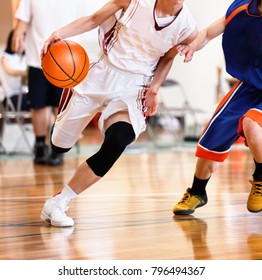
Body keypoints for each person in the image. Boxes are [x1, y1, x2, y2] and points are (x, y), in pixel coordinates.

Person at [39, 0, 198, 227]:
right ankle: (67, 112)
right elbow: (94, 19)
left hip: (134, 87)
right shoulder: (134, 2)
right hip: (102, 72)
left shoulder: (187, 28)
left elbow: (168, 58)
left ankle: (59, 202)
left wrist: (154, 89)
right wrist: (59, 33)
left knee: (118, 141)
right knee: (59, 146)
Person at [173, 0, 262, 215]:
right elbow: (206, 33)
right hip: (251, 85)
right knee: (215, 132)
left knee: (252, 123)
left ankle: (260, 178)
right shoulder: (241, 10)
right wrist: (192, 45)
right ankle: (197, 192)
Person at [12, 0, 89, 166]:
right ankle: (40, 145)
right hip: (37, 58)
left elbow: (85, 22)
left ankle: (56, 147)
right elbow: (23, 20)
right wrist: (18, 34)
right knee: (38, 105)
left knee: (60, 107)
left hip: (66, 61)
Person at [0, 30, 30, 112]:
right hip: (10, 97)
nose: (21, 44)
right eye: (18, 40)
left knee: (44, 98)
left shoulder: (26, 58)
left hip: (24, 94)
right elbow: (10, 71)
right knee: (39, 100)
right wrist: (27, 73)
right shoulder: (5, 57)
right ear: (11, 41)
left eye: (23, 40)